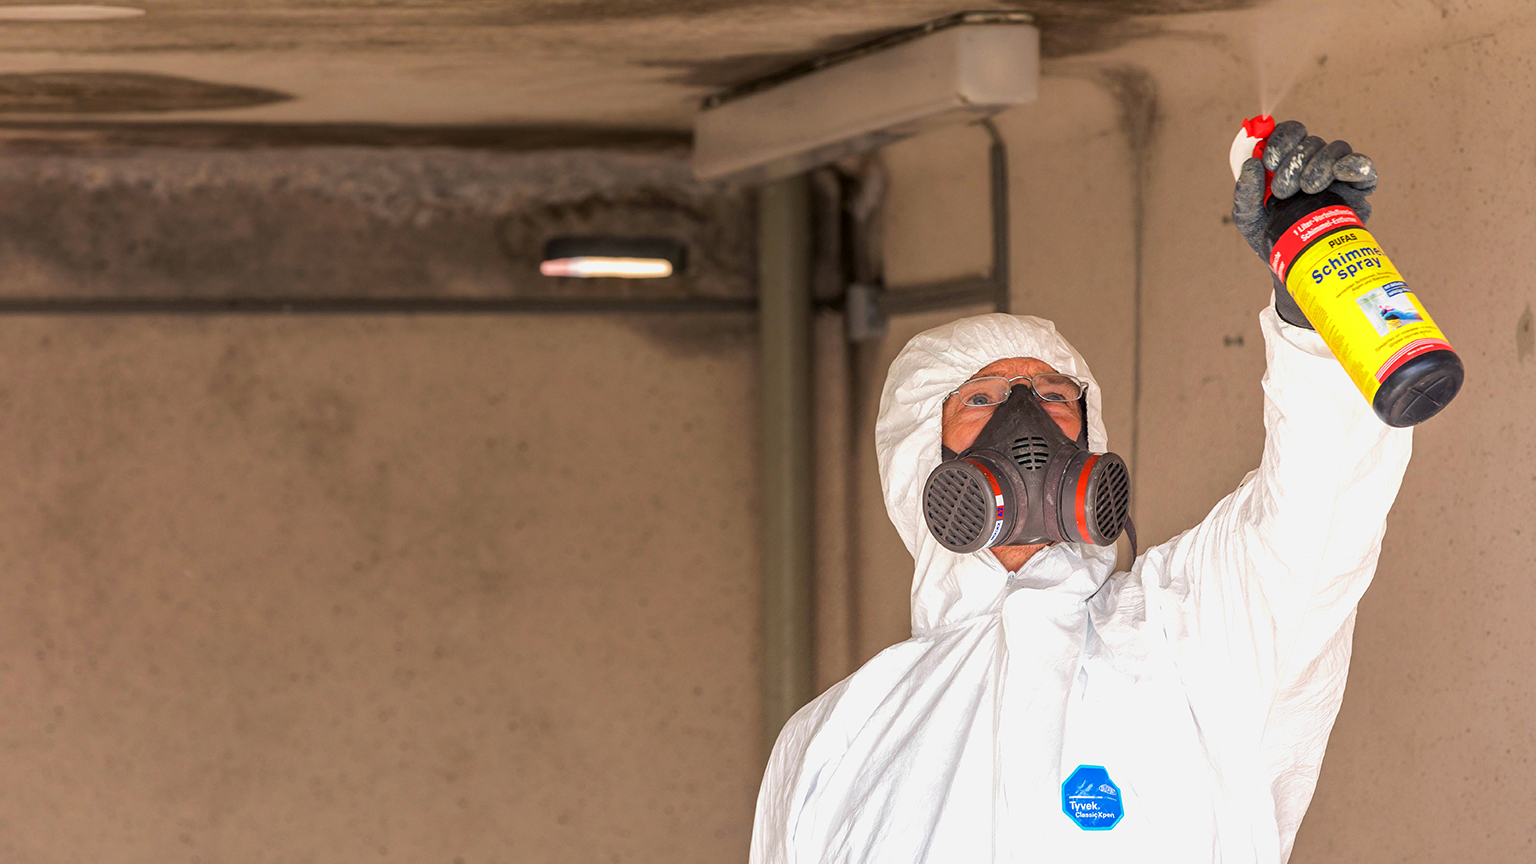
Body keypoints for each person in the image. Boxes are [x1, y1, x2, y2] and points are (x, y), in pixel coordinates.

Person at [749, 120, 1411, 863]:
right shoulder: (837, 737)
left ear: (1089, 440)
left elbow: (1321, 509)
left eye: (1055, 396)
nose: (1028, 423)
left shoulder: (1186, 638)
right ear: (917, 461)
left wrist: (1317, 304)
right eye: (984, 399)